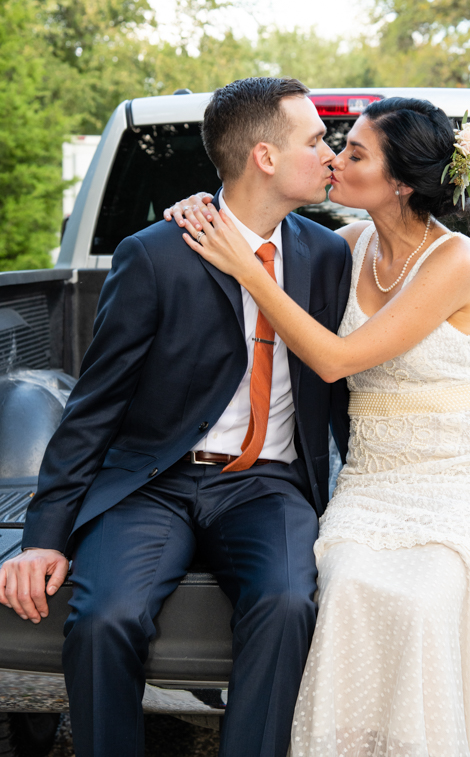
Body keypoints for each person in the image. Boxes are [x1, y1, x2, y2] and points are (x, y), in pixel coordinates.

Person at [0, 77, 353, 757]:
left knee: (286, 604)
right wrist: (45, 534)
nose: (329, 153)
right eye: (315, 140)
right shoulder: (157, 253)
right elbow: (95, 406)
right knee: (104, 617)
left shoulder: (329, 254)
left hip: (268, 485)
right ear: (264, 157)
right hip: (153, 486)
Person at [174, 97, 470, 757]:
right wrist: (203, 208)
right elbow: (258, 222)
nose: (335, 160)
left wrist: (247, 273)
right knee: (343, 588)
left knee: (428, 600)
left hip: (461, 472)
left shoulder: (455, 259)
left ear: (399, 182)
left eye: (356, 153)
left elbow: (337, 359)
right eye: (337, 146)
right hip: (375, 476)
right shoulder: (345, 245)